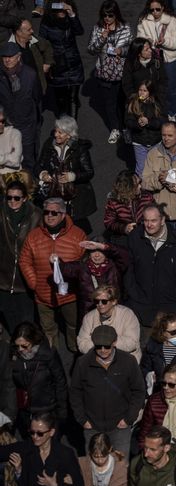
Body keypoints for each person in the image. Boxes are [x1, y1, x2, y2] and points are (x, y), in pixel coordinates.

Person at [19, 196, 86, 351]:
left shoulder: (78, 235)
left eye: (54, 213)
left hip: (70, 294)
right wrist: (34, 283)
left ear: (63, 214)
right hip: (43, 293)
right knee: (48, 329)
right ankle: (52, 356)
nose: (49, 216)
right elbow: (24, 261)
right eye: (46, 212)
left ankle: (75, 349)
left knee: (73, 324)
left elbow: (84, 263)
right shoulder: (34, 236)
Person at [69, 325, 146, 457]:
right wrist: (82, 420)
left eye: (107, 346)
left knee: (120, 466)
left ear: (115, 342)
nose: (103, 350)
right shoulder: (83, 362)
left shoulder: (128, 361)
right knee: (93, 466)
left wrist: (128, 419)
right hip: (92, 426)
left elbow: (139, 391)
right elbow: (75, 392)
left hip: (120, 426)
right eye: (99, 346)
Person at [124, 204, 176, 327]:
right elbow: (128, 267)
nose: (149, 225)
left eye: (153, 220)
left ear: (162, 220)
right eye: (146, 220)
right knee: (146, 343)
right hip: (141, 304)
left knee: (171, 344)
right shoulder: (135, 237)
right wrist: (133, 293)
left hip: (172, 304)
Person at [36, 115, 97, 231]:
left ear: (69, 135)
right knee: (55, 224)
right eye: (56, 131)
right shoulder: (49, 144)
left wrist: (72, 176)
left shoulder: (79, 149)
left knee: (74, 227)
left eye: (60, 132)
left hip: (73, 195)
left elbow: (89, 172)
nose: (56, 135)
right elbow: (39, 165)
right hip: (53, 191)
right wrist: (42, 174)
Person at [0, 412, 84, 486]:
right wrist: (19, 471)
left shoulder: (65, 454)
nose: (35, 437)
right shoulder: (26, 448)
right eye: (32, 432)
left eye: (40, 433)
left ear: (51, 432)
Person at [86, 0, 132, 143]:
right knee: (109, 103)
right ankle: (115, 129)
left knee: (123, 103)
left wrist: (121, 50)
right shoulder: (98, 28)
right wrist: (101, 39)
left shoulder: (125, 28)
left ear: (116, 15)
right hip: (105, 72)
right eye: (104, 15)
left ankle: (126, 129)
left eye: (110, 15)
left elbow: (132, 48)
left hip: (122, 71)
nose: (107, 18)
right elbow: (91, 50)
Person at [10, 322, 67, 437]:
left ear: (34, 342)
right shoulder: (14, 355)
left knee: (48, 444)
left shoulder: (48, 354)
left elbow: (60, 382)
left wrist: (62, 411)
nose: (20, 349)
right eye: (17, 346)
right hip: (25, 410)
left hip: (47, 409)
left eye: (24, 346)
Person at [0, 179, 41, 330]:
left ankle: (30, 349)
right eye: (9, 197)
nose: (12, 201)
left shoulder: (36, 216)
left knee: (26, 319)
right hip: (4, 277)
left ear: (24, 198)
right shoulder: (2, 213)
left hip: (24, 279)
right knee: (9, 318)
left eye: (17, 198)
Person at [141, 121, 176, 231]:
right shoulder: (153, 154)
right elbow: (144, 182)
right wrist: (159, 179)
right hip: (163, 213)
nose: (166, 138)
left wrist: (171, 178)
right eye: (163, 135)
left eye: (170, 135)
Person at [137, 0, 176, 120]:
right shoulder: (144, 21)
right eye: (152, 10)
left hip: (169, 61)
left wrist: (165, 41)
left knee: (170, 88)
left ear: (163, 8)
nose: (155, 12)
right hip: (152, 59)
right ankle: (157, 111)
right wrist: (149, 42)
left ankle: (172, 112)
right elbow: (139, 40)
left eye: (157, 9)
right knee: (154, 87)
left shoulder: (172, 20)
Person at [0, 43, 42, 172]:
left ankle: (29, 186)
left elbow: (37, 98)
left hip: (26, 124)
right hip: (6, 125)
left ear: (18, 57)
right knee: (7, 157)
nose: (7, 60)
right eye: (4, 57)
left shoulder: (30, 75)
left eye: (11, 56)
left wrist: (34, 122)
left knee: (28, 159)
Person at [41, 1, 85, 119]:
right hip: (57, 66)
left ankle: (72, 128)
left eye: (63, 8)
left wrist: (72, 14)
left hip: (73, 63)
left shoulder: (70, 19)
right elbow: (42, 44)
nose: (62, 11)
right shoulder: (47, 23)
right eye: (58, 8)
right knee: (60, 99)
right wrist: (47, 62)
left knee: (72, 98)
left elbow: (80, 31)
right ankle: (63, 125)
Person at [77, 287, 141, 361]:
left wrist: (107, 342)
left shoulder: (127, 315)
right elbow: (82, 343)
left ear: (114, 301)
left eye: (104, 301)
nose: (100, 304)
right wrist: (101, 346)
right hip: (98, 360)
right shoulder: (89, 318)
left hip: (125, 359)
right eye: (96, 301)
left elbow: (132, 343)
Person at [123, 80, 165, 177]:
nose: (141, 93)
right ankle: (142, 189)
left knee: (157, 167)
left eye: (145, 91)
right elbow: (128, 121)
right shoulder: (133, 104)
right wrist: (137, 124)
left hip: (155, 141)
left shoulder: (156, 104)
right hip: (139, 142)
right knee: (141, 169)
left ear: (150, 92)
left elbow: (162, 121)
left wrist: (148, 122)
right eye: (140, 90)